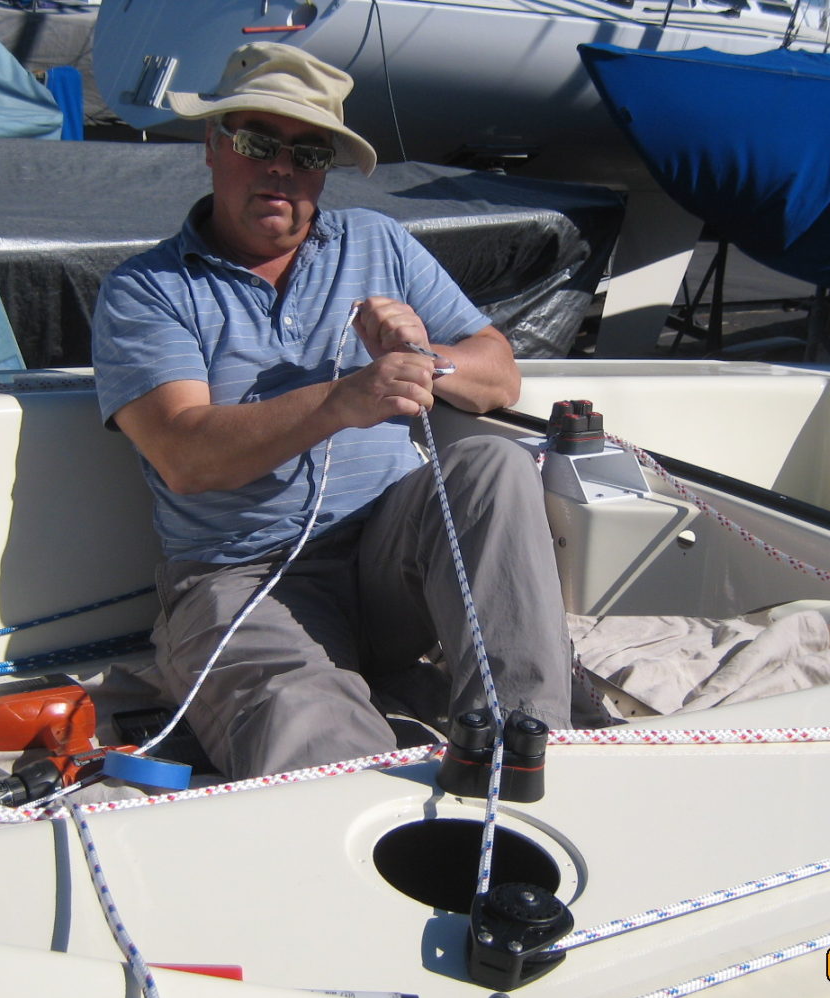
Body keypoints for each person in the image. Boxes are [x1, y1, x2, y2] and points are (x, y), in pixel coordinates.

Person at [92, 42, 583, 779]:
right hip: (243, 579)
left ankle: (527, 743)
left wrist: (424, 356)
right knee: (325, 747)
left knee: (491, 462)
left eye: (308, 152)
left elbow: (499, 379)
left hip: (390, 563)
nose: (281, 168)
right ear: (213, 146)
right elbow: (185, 457)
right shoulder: (149, 289)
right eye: (258, 141)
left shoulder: (377, 241)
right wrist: (342, 400)